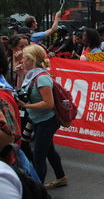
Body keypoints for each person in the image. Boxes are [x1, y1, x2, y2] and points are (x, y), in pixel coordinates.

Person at [16, 44, 67, 187]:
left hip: (47, 121)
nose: (22, 60)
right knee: (49, 150)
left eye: (25, 58)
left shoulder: (42, 78)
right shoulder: (30, 75)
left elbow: (48, 103)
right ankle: (61, 177)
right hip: (38, 119)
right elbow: (20, 91)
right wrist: (20, 75)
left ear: (32, 60)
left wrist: (25, 106)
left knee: (38, 156)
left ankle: (38, 190)